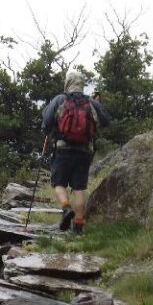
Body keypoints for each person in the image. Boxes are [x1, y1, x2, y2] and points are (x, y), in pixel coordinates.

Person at [41, 70, 110, 234]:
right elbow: (106, 121)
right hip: (84, 151)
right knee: (79, 188)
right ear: (82, 85)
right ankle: (78, 226)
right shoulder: (91, 103)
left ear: (67, 83)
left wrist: (49, 130)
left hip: (63, 149)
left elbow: (46, 122)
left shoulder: (60, 99)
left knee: (58, 184)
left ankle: (66, 208)